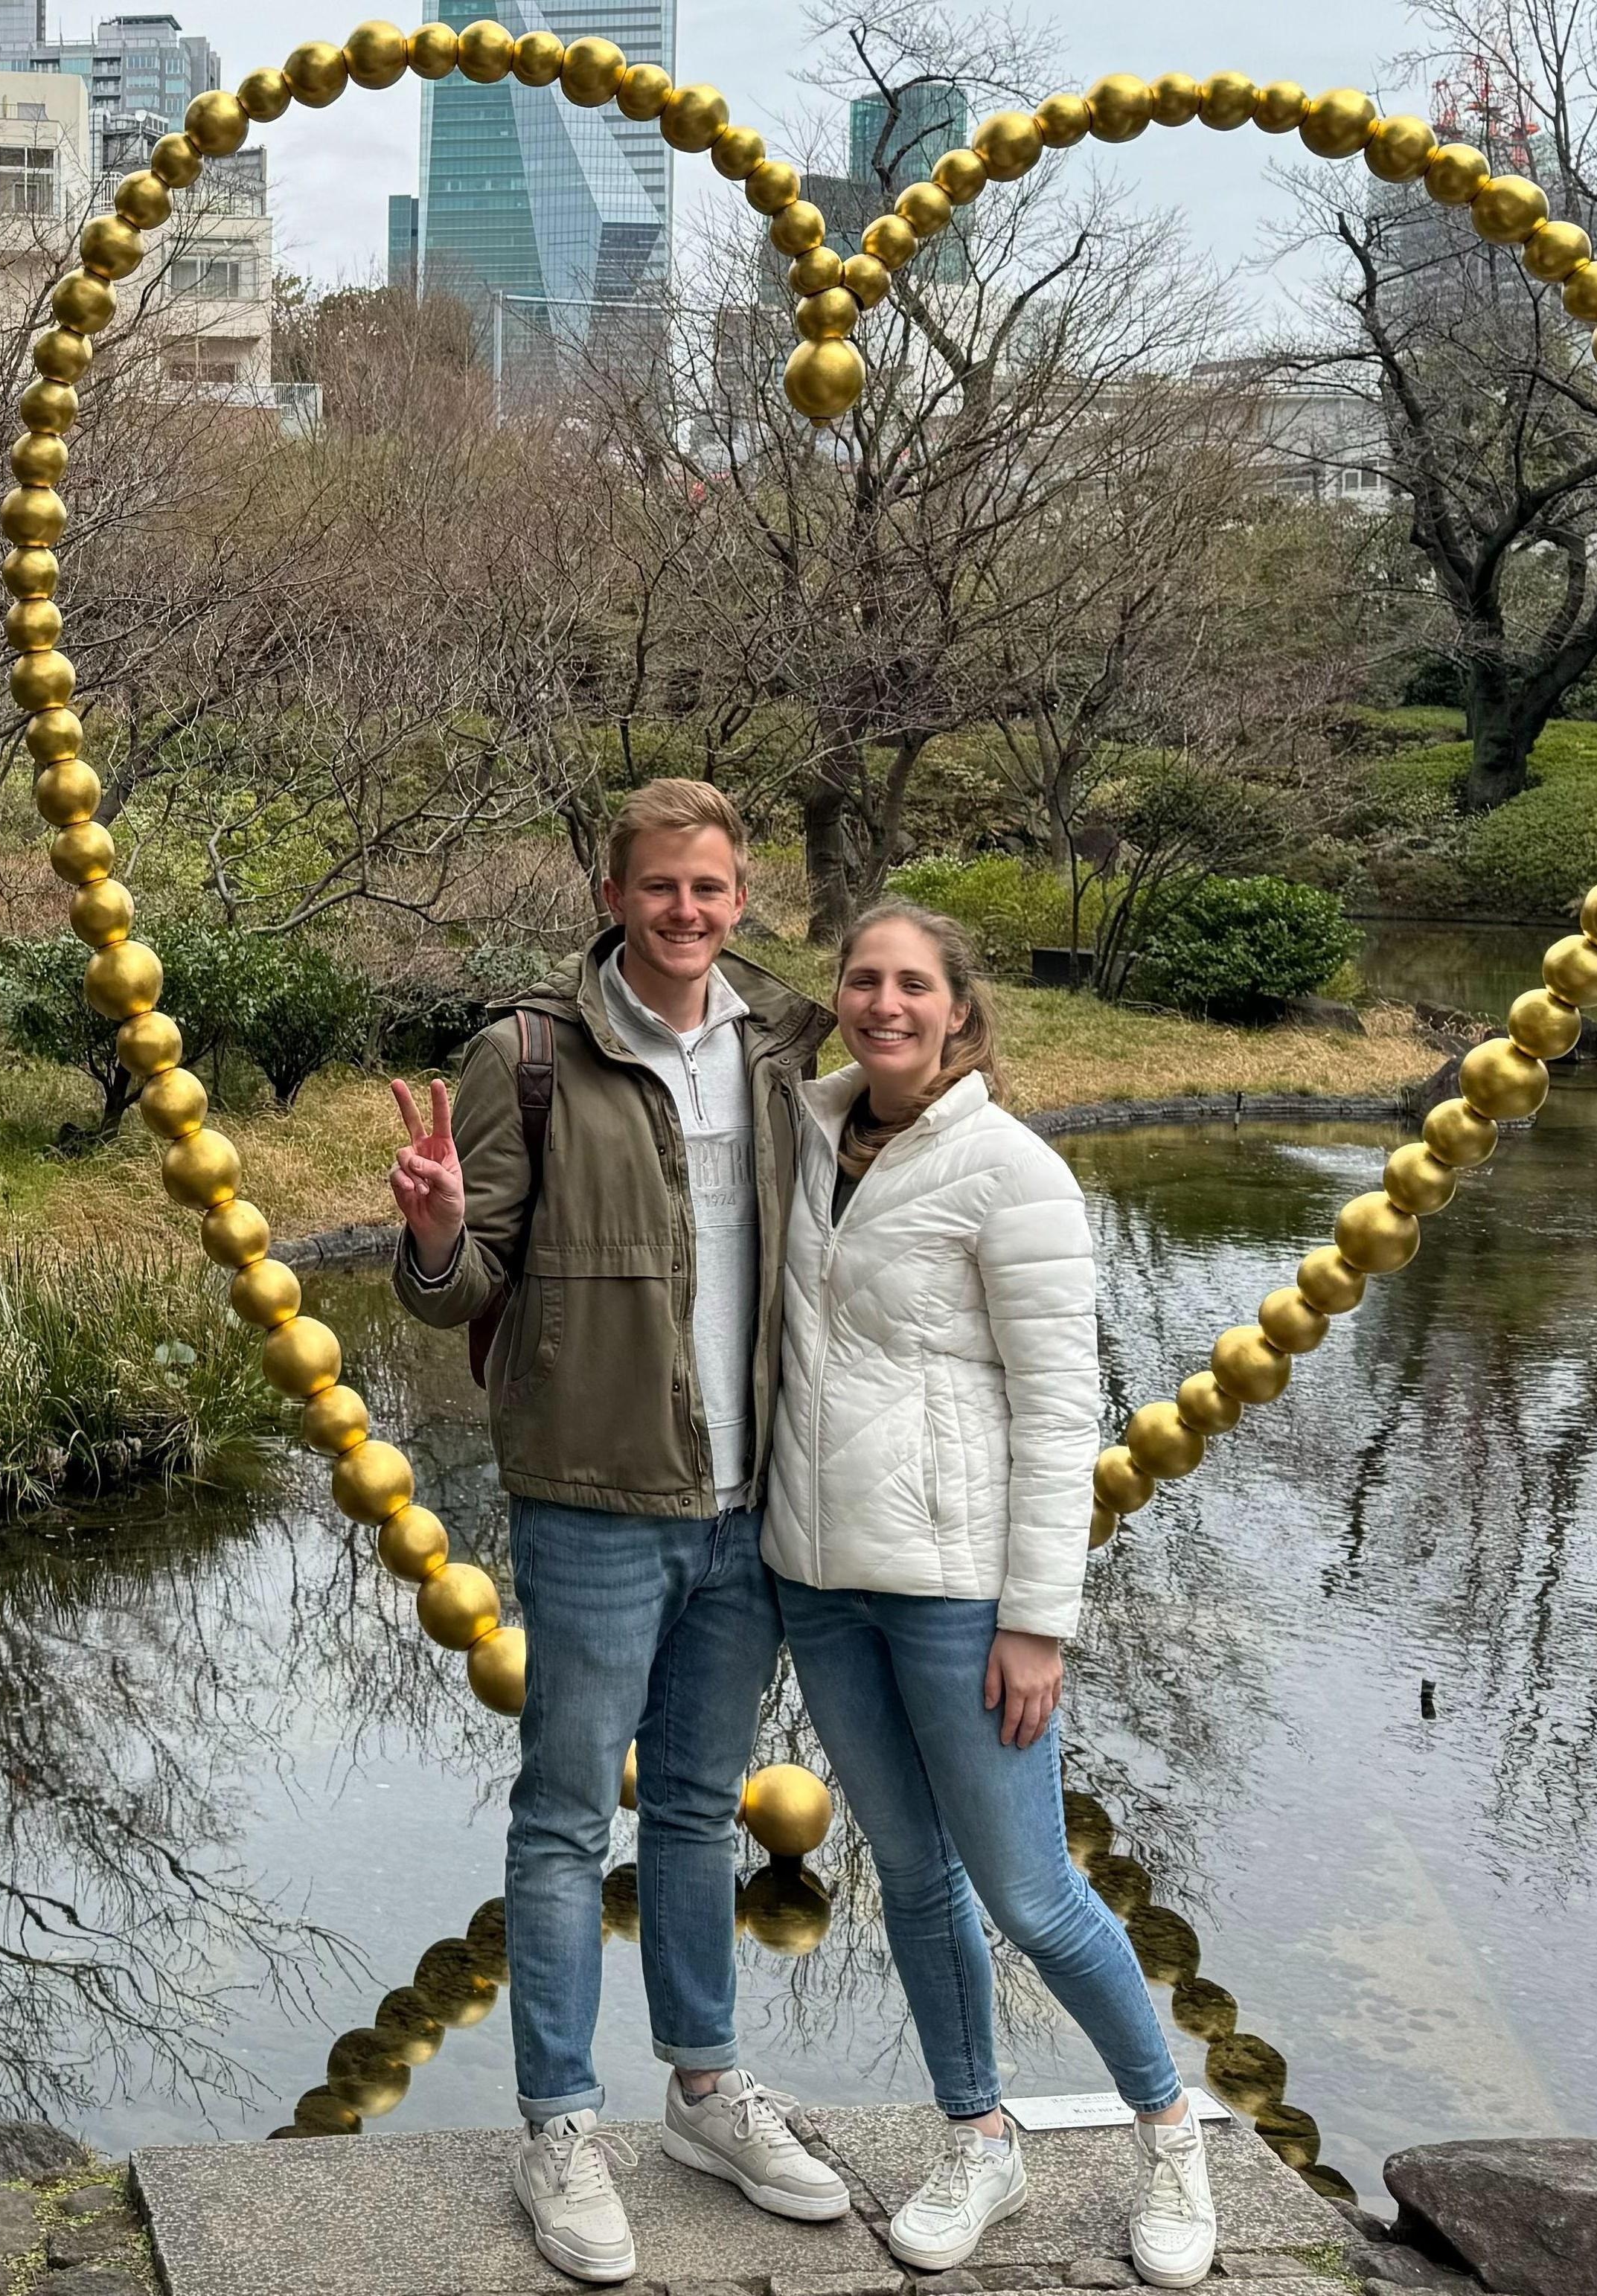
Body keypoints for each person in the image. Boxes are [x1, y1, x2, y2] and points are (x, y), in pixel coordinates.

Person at [386, 780, 846, 2286]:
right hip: (590, 1493)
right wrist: (440, 1227)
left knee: (703, 1809)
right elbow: (456, 1295)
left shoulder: (781, 1046)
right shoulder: (530, 1053)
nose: (686, 914)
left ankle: (706, 2089)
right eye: (660, 888)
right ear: (610, 891)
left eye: (710, 889)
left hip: (750, 1502)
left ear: (739, 895)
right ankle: (559, 2126)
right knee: (567, 1812)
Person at [760, 900, 1219, 2289]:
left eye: (913, 984)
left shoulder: (1008, 1168)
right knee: (909, 1872)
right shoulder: (806, 1132)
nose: (882, 1002)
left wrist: (1038, 1619)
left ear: (960, 1011)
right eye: (861, 977)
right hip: (821, 1579)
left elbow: (1058, 1401)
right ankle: (979, 2135)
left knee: (1028, 1887)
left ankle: (1170, 2131)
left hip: (958, 1591)